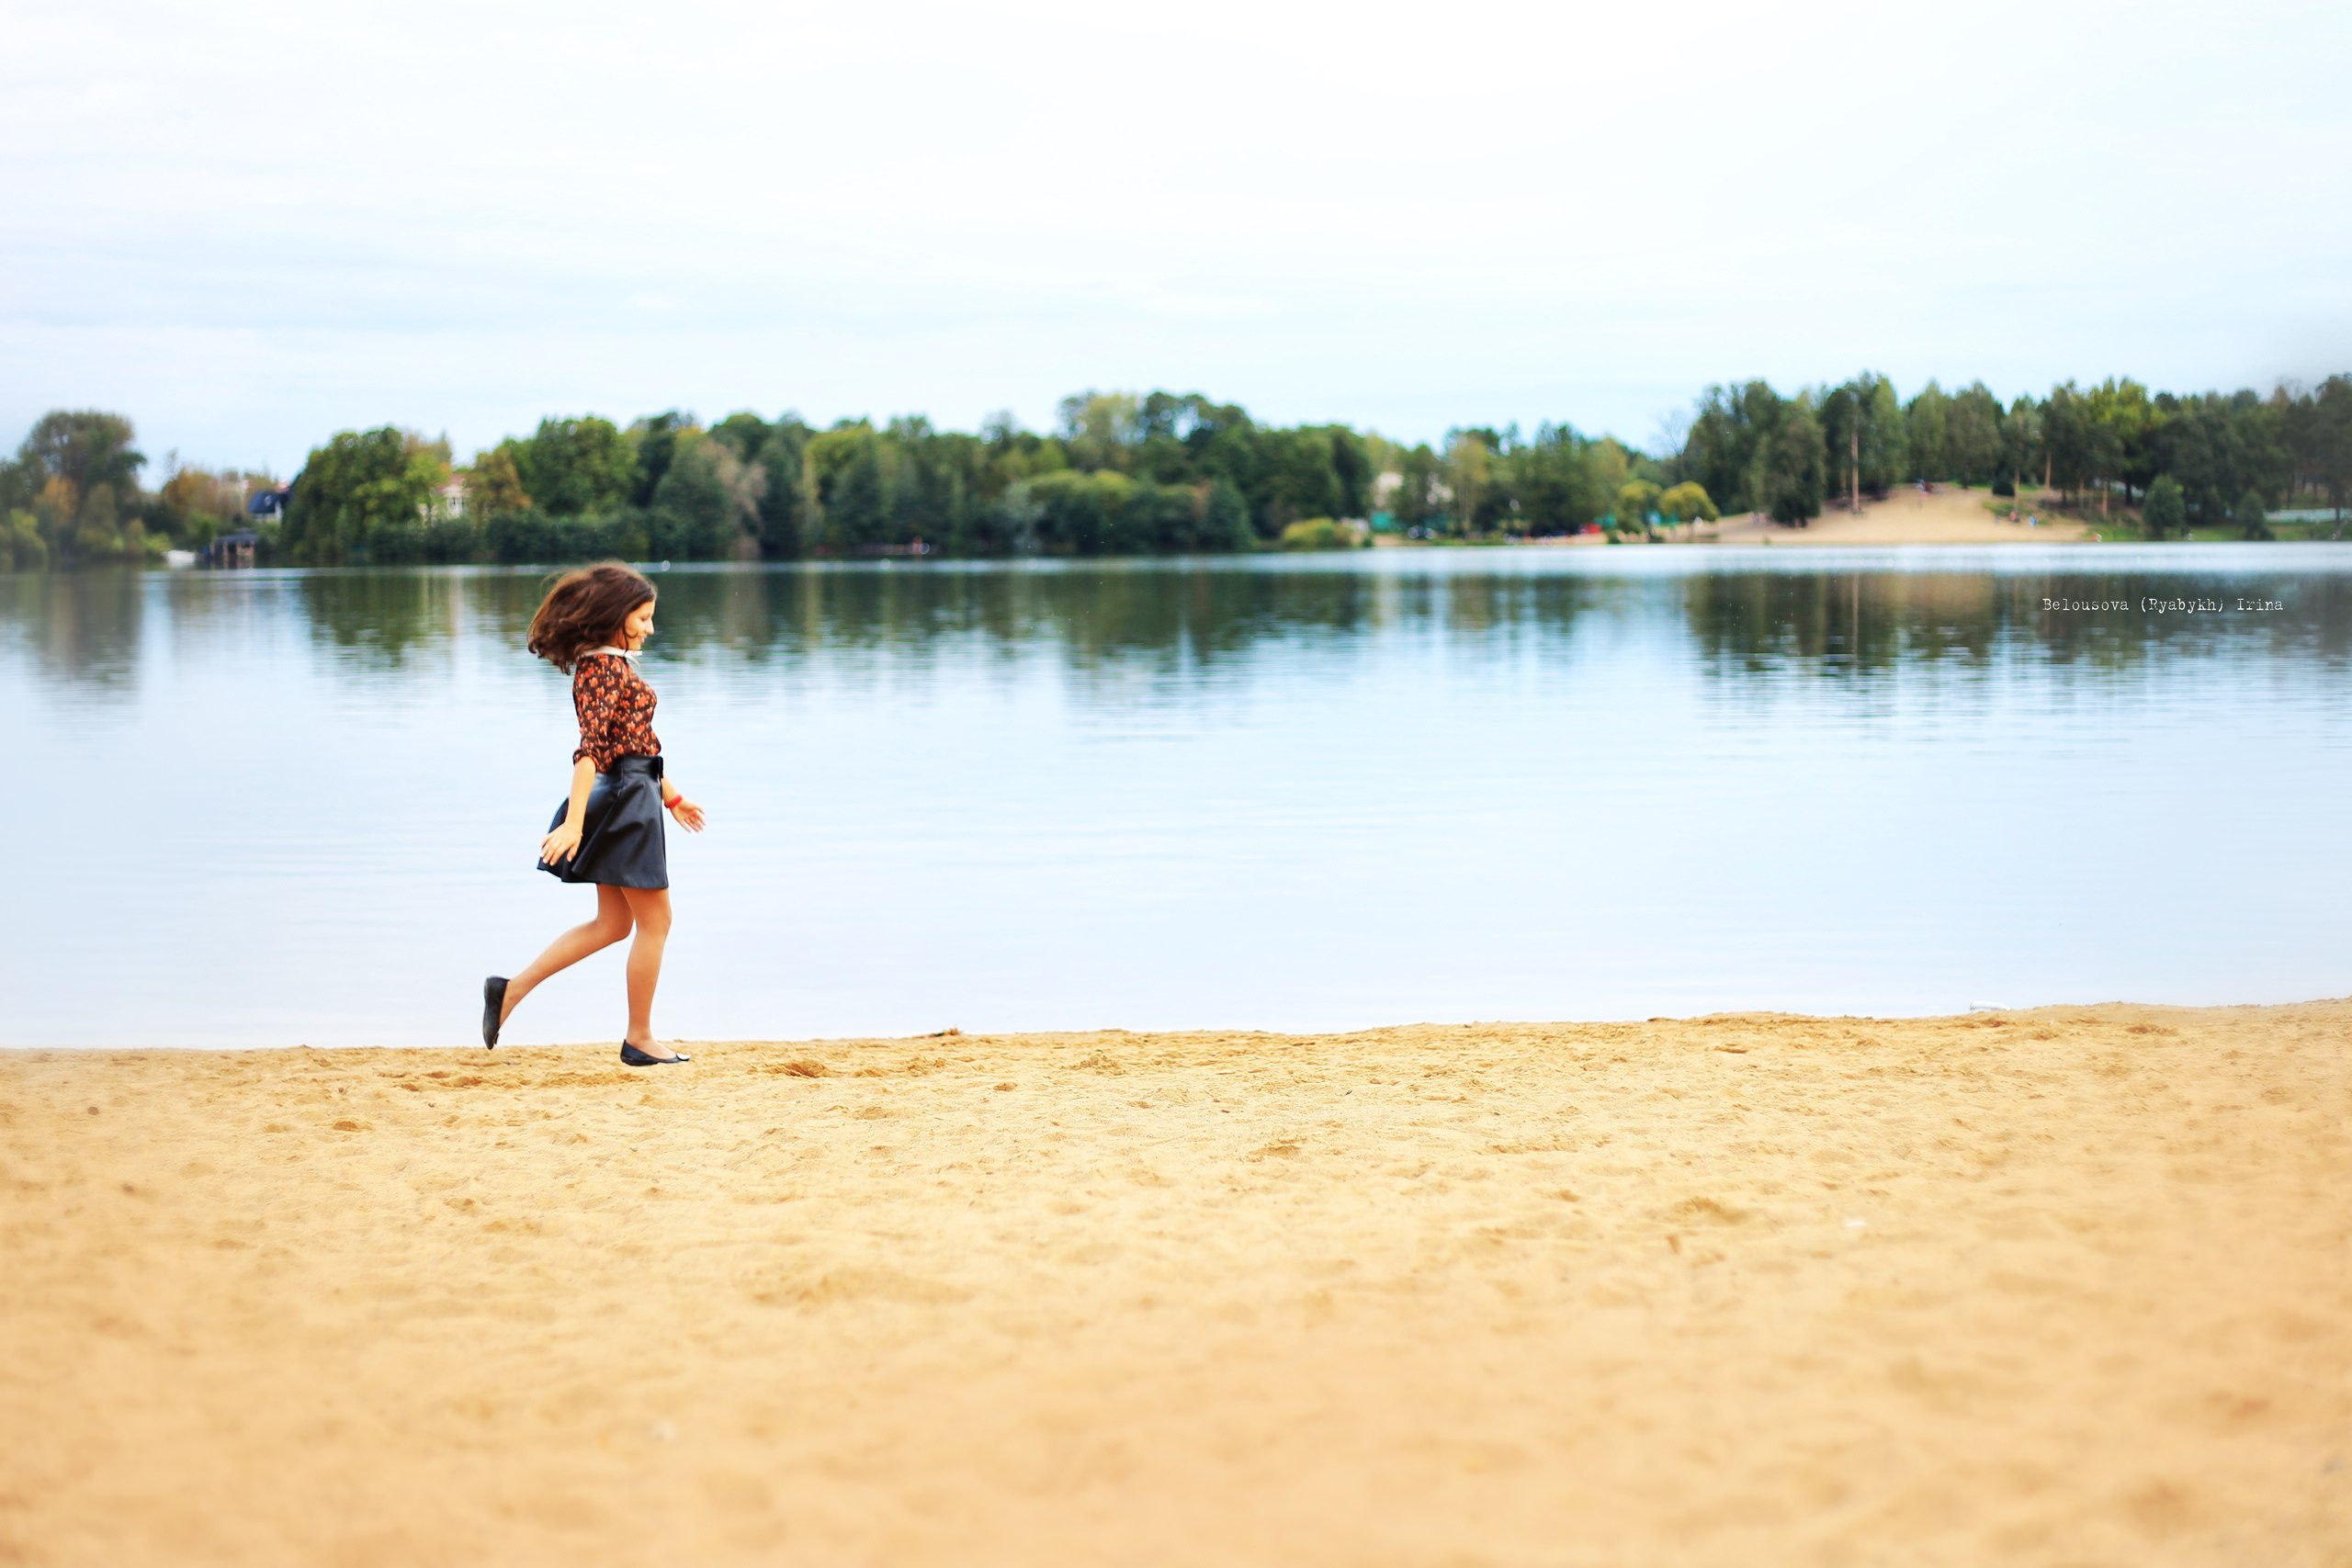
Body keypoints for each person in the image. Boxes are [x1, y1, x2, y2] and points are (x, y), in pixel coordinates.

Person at [481, 563, 707, 1065]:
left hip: (635, 793)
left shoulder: (614, 665)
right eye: (643, 618)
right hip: (625, 803)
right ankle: (640, 1038)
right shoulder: (602, 670)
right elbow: (591, 752)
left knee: (612, 924)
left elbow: (638, 746)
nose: (649, 628)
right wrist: (575, 824)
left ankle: (510, 991)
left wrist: (672, 797)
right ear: (616, 616)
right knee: (657, 922)